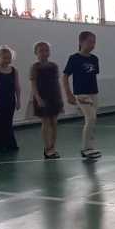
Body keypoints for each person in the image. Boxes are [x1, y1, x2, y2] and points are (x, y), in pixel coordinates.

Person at [63, 31, 101, 159]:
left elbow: (92, 76)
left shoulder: (94, 59)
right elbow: (65, 76)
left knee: (92, 120)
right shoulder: (74, 58)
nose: (92, 44)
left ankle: (91, 146)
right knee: (91, 118)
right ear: (81, 42)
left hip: (93, 93)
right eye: (89, 41)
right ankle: (86, 148)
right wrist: (68, 94)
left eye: (94, 42)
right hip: (81, 94)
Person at [30, 41, 64, 159]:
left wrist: (60, 98)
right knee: (45, 122)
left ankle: (53, 146)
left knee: (54, 122)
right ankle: (47, 148)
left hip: (54, 96)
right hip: (42, 97)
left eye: (46, 50)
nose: (44, 53)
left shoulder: (54, 66)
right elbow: (33, 84)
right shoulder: (35, 67)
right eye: (41, 51)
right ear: (36, 53)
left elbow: (57, 83)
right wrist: (38, 98)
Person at [0, 46, 20, 152]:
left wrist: (18, 100)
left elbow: (17, 86)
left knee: (8, 122)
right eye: (4, 58)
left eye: (9, 58)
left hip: (10, 100)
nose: (7, 60)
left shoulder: (14, 70)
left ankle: (10, 144)